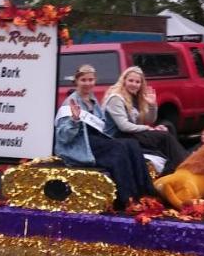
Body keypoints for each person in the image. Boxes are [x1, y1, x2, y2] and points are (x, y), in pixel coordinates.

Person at [54, 64, 155, 209]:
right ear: (76, 81)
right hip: (80, 145)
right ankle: (127, 199)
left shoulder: (92, 99)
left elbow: (102, 126)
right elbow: (64, 137)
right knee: (118, 150)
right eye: (84, 80)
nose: (87, 83)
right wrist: (74, 120)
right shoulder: (70, 102)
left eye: (90, 80)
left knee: (131, 144)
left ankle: (145, 192)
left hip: (96, 140)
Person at [102, 66, 188, 173]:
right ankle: (183, 165)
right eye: (131, 81)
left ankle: (175, 166)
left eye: (137, 82)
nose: (134, 84)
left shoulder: (134, 97)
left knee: (167, 128)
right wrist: (148, 129)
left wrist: (152, 105)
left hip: (131, 133)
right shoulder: (116, 98)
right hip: (117, 137)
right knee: (164, 137)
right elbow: (123, 126)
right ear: (124, 81)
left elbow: (150, 120)